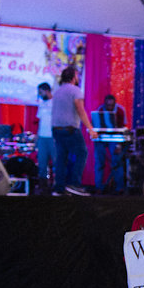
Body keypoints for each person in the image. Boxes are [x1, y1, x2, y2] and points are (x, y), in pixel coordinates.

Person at [51, 65, 96, 196]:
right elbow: (80, 110)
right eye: (76, 75)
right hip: (70, 128)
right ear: (73, 77)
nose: (78, 78)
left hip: (56, 128)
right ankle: (74, 184)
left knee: (61, 158)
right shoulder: (75, 90)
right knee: (82, 153)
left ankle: (59, 188)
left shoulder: (57, 91)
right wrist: (90, 129)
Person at [93, 94, 128, 194]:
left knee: (117, 162)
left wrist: (119, 144)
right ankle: (98, 187)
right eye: (108, 106)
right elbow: (96, 125)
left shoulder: (120, 110)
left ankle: (119, 187)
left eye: (111, 106)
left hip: (115, 138)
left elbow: (123, 128)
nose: (109, 108)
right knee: (99, 162)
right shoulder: (100, 110)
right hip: (102, 138)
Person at [34, 82, 55, 194]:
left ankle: (57, 186)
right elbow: (40, 121)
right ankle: (43, 187)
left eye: (41, 92)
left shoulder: (56, 103)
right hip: (42, 137)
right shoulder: (41, 104)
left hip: (53, 137)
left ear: (47, 91)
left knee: (56, 162)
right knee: (42, 164)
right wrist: (37, 137)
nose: (40, 95)